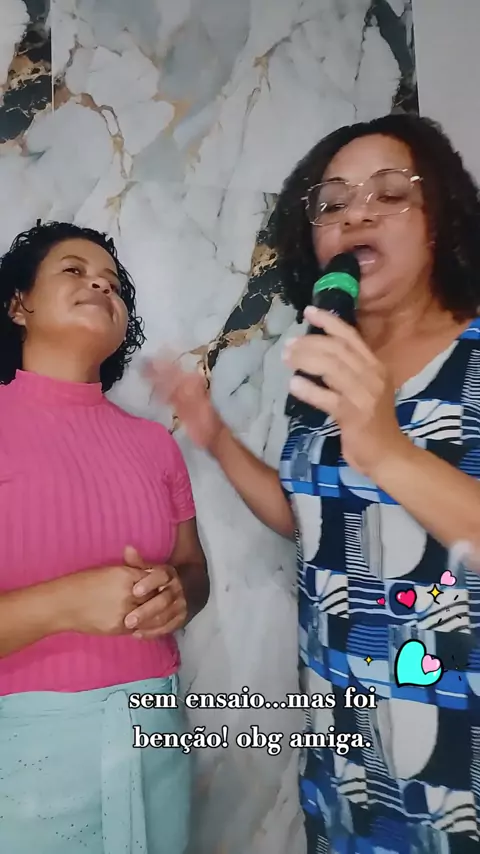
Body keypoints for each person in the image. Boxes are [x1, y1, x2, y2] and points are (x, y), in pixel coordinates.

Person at [146, 113, 480, 854]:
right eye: (332, 204)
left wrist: (387, 450)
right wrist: (212, 433)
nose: (356, 213)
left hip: (458, 757)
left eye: (389, 193)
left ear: (440, 219)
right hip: (345, 753)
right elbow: (316, 521)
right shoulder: (329, 368)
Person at [0, 221, 209, 854]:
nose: (100, 285)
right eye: (74, 270)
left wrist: (178, 594)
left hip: (158, 729)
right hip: (25, 752)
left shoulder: (155, 445)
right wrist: (62, 605)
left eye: (112, 283)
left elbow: (193, 570)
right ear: (19, 305)